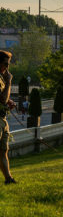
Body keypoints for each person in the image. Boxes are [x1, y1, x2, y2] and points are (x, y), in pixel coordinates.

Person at [0, 51, 16, 184]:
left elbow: (4, 98)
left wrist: (8, 100)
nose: (7, 67)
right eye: (5, 64)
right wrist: (9, 82)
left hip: (2, 118)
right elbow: (2, 99)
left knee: (3, 150)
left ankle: (8, 179)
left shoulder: (1, 77)